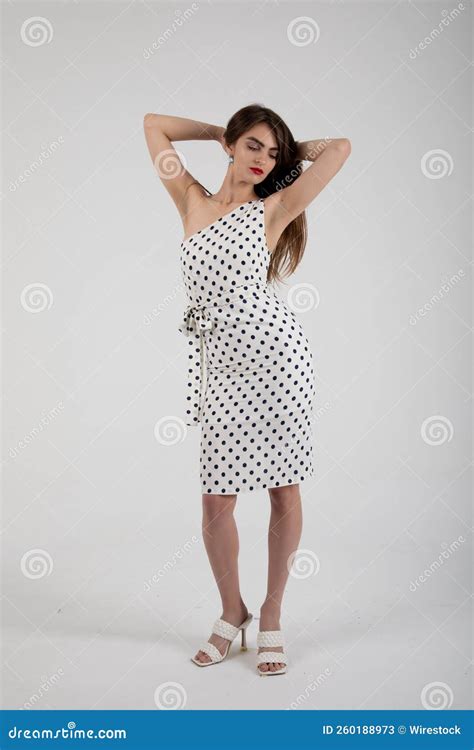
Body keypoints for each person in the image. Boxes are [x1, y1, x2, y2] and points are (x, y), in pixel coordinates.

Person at [144, 104, 351, 676]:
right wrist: (217, 133)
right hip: (220, 372)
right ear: (233, 146)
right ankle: (231, 612)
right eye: (254, 146)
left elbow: (339, 149)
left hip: (278, 363)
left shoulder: (274, 208)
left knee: (283, 489)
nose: (263, 160)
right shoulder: (190, 200)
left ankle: (274, 613)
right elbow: (151, 125)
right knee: (217, 501)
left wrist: (289, 150)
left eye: (273, 153)